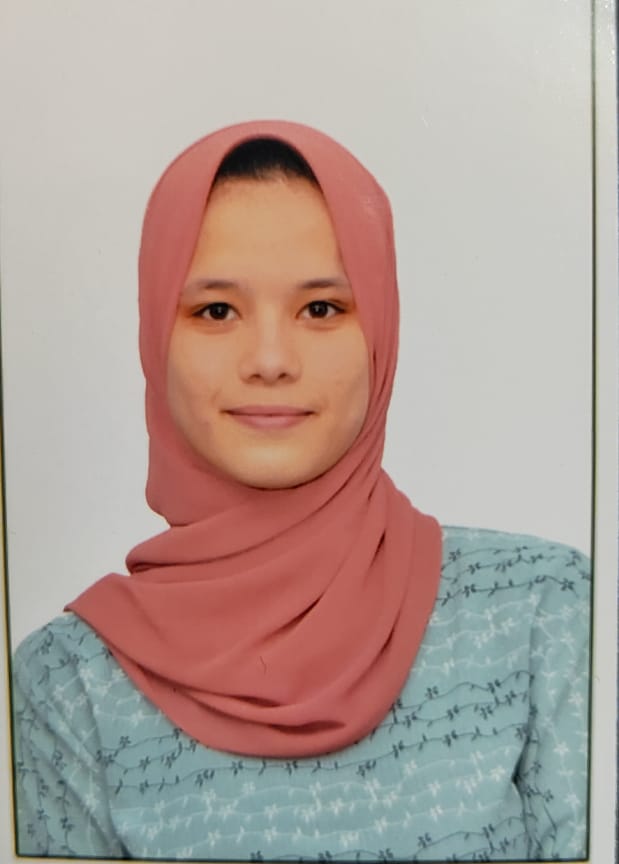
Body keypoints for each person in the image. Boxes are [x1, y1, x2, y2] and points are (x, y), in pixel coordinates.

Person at [11, 120, 590, 862]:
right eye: (215, 311)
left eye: (320, 309)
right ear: (156, 335)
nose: (270, 359)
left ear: (379, 332)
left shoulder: (542, 613)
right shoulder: (67, 687)